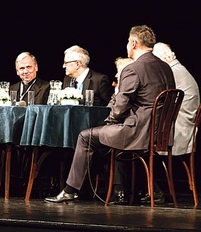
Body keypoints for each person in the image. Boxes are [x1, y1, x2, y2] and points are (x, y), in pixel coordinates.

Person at [45, 25, 175, 205]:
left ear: (134, 43)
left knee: (86, 136)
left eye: (128, 42)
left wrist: (110, 122)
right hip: (160, 132)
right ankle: (145, 190)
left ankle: (70, 190)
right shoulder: (165, 67)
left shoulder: (134, 68)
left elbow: (121, 105)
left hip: (137, 132)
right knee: (105, 140)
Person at [141, 42, 200, 204]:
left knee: (136, 143)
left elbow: (158, 103)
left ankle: (153, 191)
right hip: (183, 128)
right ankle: (149, 190)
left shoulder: (172, 73)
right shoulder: (179, 70)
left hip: (178, 132)